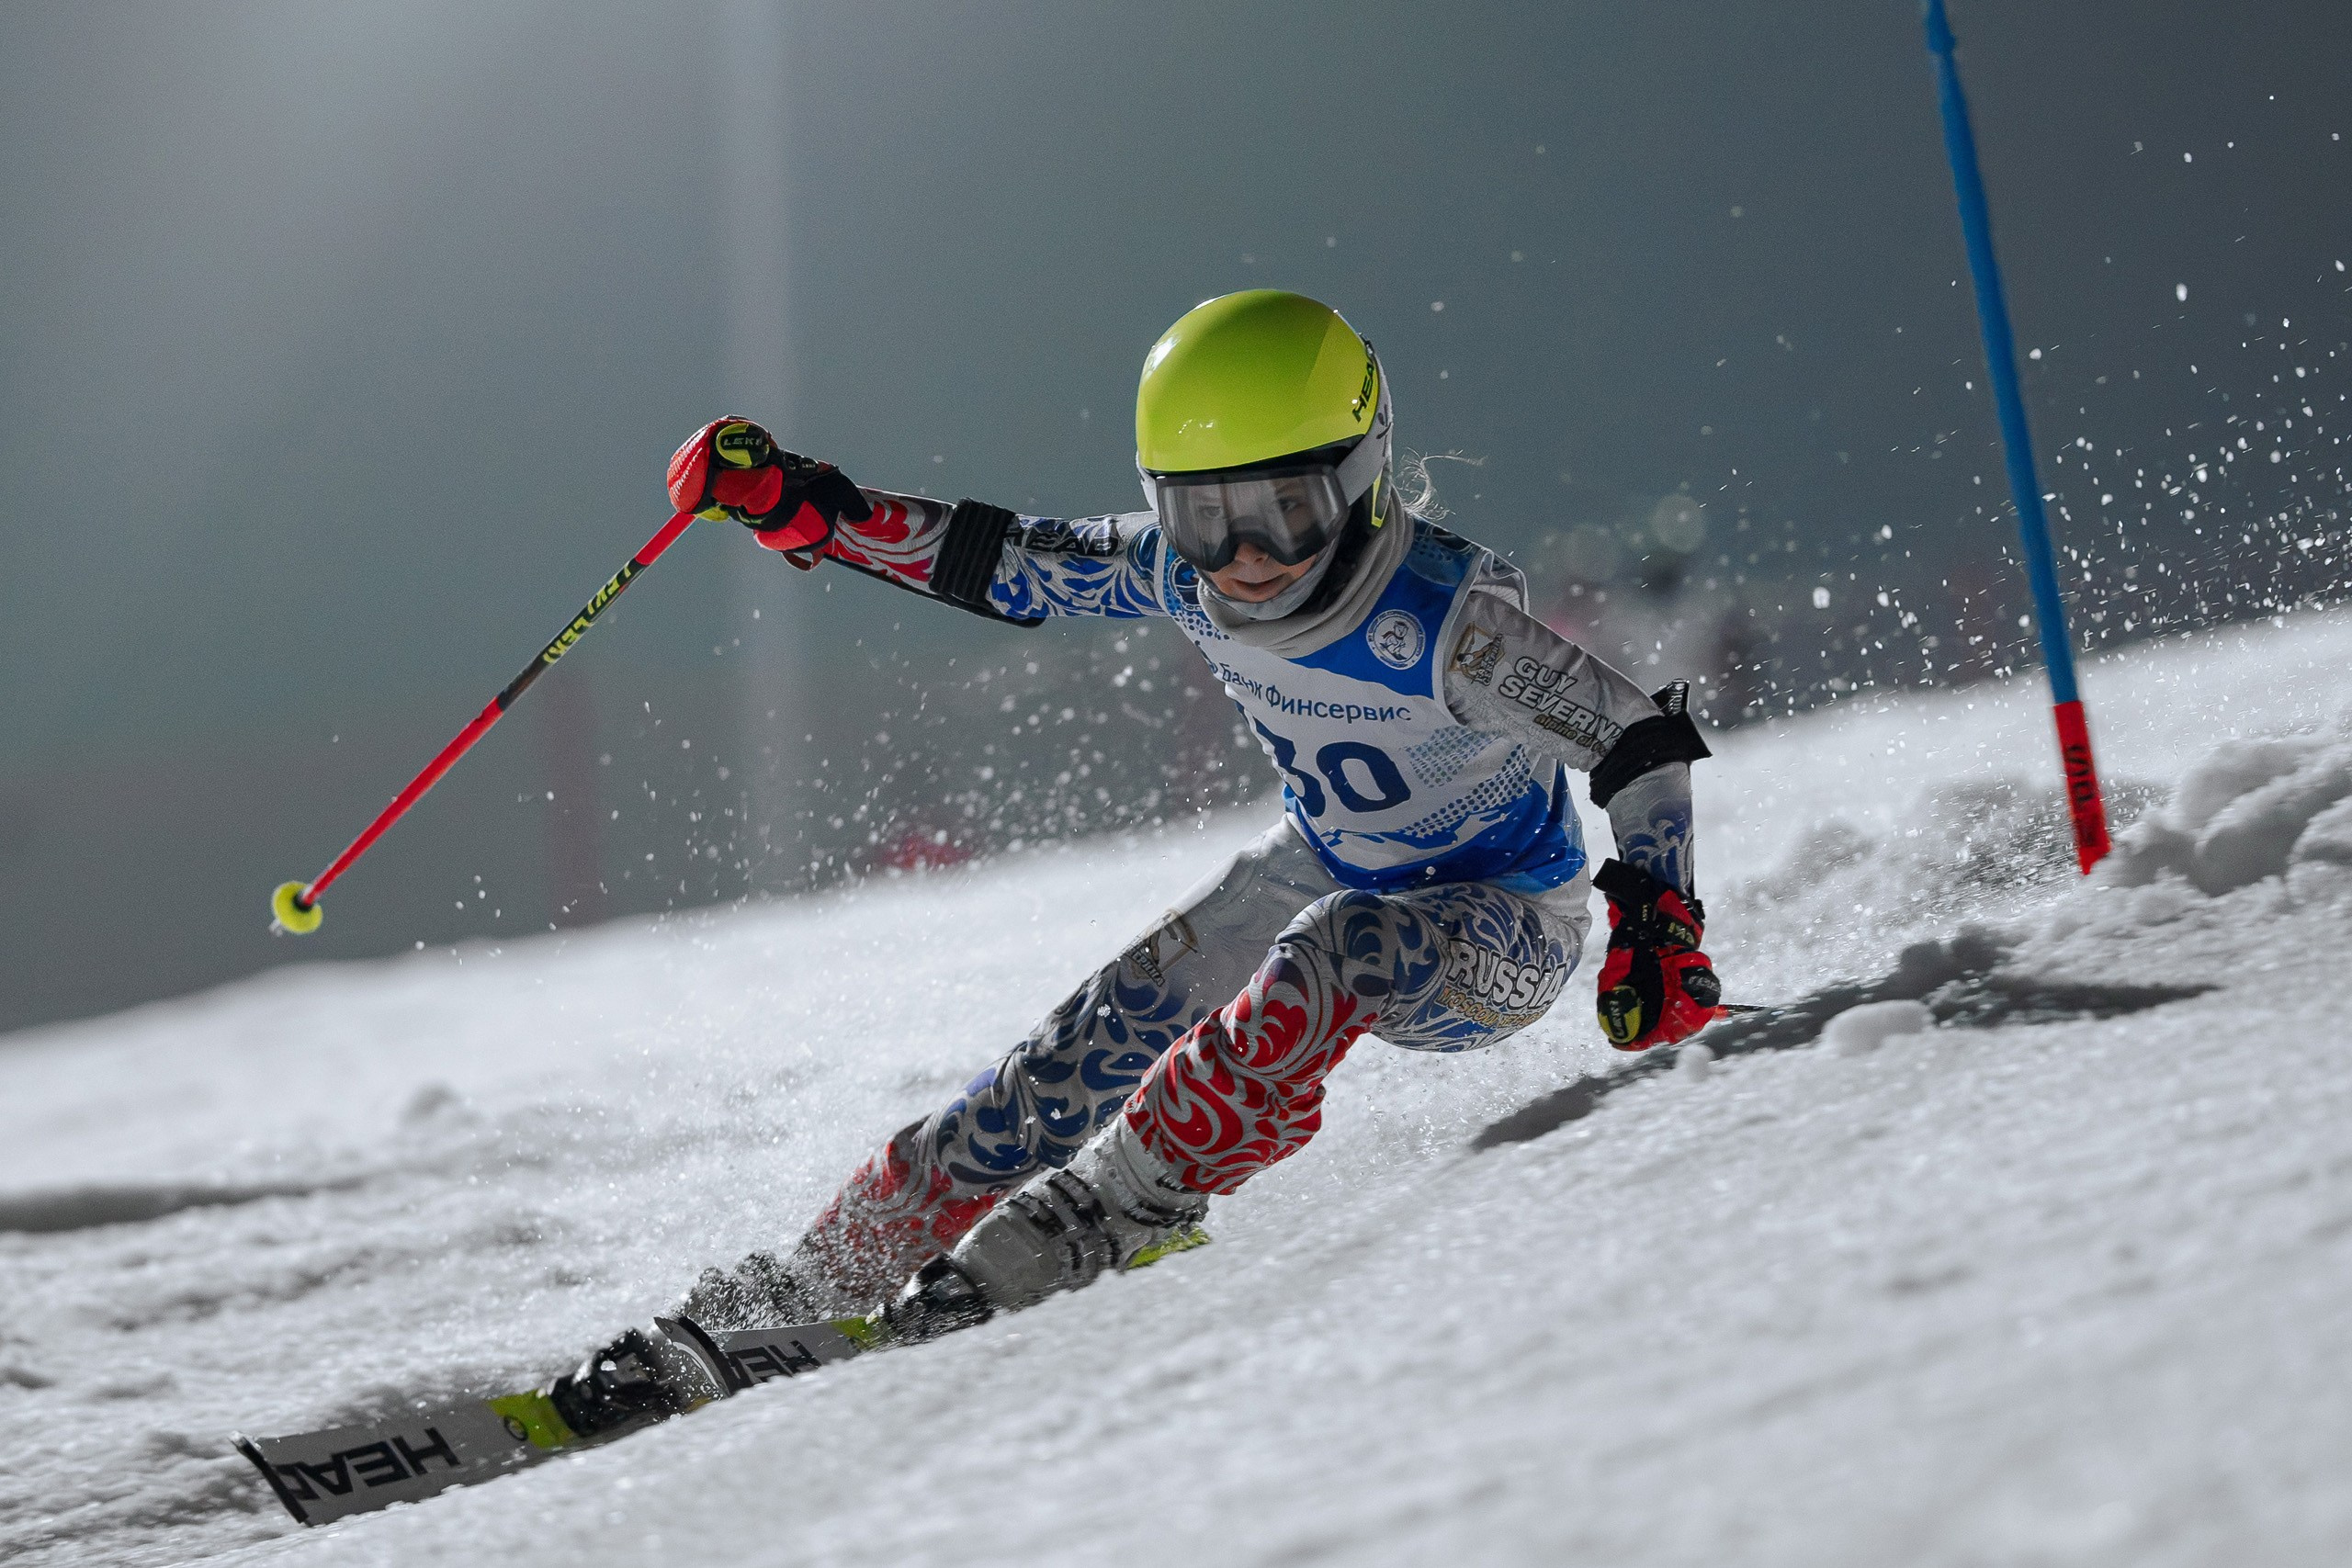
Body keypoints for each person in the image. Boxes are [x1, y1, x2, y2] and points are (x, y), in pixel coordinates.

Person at [662, 289, 1723, 1346]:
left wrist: (1657, 923)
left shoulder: (1443, 621)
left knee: (1333, 950)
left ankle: (1126, 1207)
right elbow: (1000, 562)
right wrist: (806, 506)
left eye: (1285, 512)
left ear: (1362, 482)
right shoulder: (1177, 574)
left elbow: (1636, 742)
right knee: (1100, 1029)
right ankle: (829, 1270)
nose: (1245, 555)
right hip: (1327, 865)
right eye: (1204, 516)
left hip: (1504, 926)